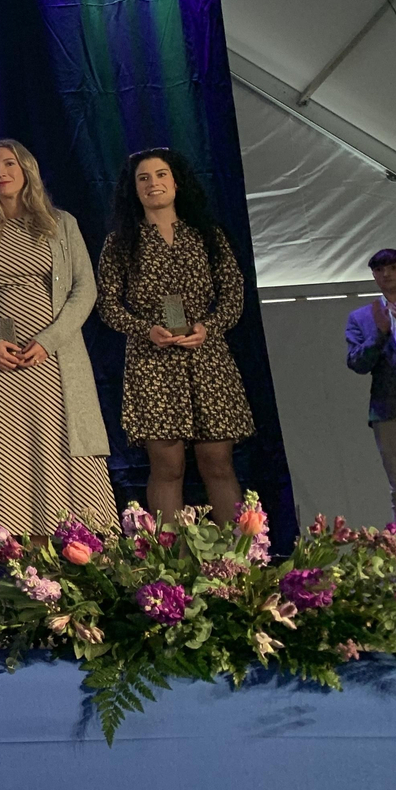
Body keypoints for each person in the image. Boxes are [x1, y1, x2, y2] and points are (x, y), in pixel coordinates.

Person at [0, 140, 116, 544]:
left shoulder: (61, 224)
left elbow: (85, 289)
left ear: (26, 170)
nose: (0, 173)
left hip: (55, 360)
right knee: (14, 463)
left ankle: (83, 564)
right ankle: (29, 576)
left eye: (9, 164)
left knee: (66, 455)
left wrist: (48, 341)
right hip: (3, 366)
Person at [96, 148, 254, 526]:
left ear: (176, 181)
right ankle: (172, 567)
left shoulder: (206, 236)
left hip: (208, 358)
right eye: (144, 178)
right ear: (133, 189)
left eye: (161, 175)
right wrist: (145, 330)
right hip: (152, 364)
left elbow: (233, 294)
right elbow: (108, 306)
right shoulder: (120, 244)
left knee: (217, 463)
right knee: (167, 466)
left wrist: (208, 328)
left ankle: (238, 561)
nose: (154, 184)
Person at [345, 248, 396, 516]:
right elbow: (358, 363)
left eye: (393, 268)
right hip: (387, 409)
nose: (386, 274)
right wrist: (379, 335)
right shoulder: (362, 317)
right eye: (379, 270)